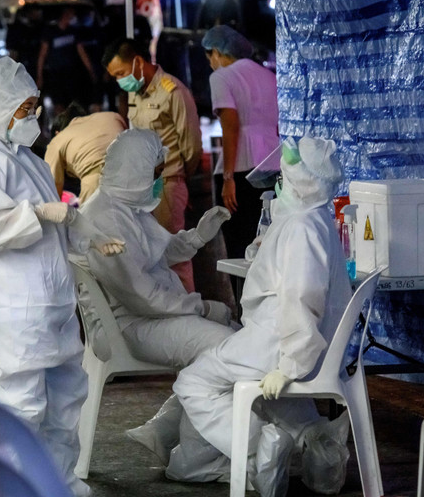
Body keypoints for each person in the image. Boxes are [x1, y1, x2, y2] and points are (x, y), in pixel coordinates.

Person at [0, 57, 125, 497]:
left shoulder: (31, 161)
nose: (33, 117)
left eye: (33, 107)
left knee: (65, 401)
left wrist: (89, 232)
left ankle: (59, 484)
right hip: (12, 308)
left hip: (53, 303)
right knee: (20, 406)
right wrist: (39, 213)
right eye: (23, 109)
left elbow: (61, 219)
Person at [167, 136, 353, 497]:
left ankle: (259, 448)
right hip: (294, 342)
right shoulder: (313, 219)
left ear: (300, 179)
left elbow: (302, 299)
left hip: (279, 340)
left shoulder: (301, 227)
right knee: (267, 394)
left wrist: (291, 363)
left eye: (286, 172)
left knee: (194, 383)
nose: (279, 180)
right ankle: (319, 448)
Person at [81, 128, 234, 369]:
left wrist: (196, 237)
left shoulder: (124, 206)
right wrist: (201, 307)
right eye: (157, 173)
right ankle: (209, 404)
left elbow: (153, 253)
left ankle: (234, 405)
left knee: (245, 341)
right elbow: (141, 295)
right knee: (228, 345)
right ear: (137, 171)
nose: (159, 181)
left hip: (150, 316)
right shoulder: (105, 219)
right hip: (127, 326)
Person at [103, 38, 202, 292]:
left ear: (138, 61)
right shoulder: (133, 94)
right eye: (115, 77)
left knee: (173, 253)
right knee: (149, 256)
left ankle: (188, 312)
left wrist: (178, 179)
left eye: (121, 73)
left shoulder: (173, 91)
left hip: (167, 184)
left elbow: (190, 145)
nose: (120, 81)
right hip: (142, 189)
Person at [202, 25, 279, 263]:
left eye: (209, 58)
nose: (210, 63)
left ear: (215, 51)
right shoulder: (269, 75)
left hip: (241, 168)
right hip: (274, 163)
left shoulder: (221, 77)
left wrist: (227, 179)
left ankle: (243, 299)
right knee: (269, 240)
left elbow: (231, 126)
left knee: (240, 246)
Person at [45, 102, 126, 204]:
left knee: (92, 219)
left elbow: (53, 188)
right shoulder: (113, 116)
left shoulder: (57, 141)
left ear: (57, 133)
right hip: (135, 177)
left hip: (97, 182)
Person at [36, 7, 97, 114]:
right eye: (70, 15)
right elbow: (42, 55)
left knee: (72, 103)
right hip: (56, 74)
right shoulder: (50, 32)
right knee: (58, 104)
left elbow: (82, 52)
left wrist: (90, 70)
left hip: (72, 73)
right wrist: (39, 76)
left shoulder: (73, 31)